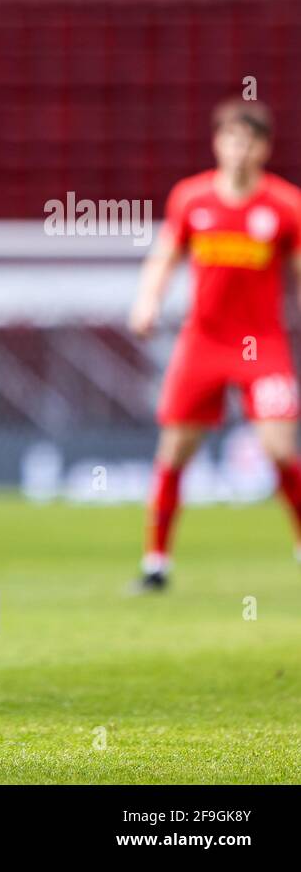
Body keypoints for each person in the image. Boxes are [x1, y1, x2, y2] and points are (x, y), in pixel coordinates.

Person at [129, 99, 301, 592]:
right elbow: (164, 256)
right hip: (203, 341)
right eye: (230, 139)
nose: (239, 150)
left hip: (261, 343)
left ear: (265, 148)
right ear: (217, 143)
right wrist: (147, 301)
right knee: (176, 448)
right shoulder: (191, 198)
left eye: (249, 141)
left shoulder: (286, 206)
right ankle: (156, 563)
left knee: (280, 447)